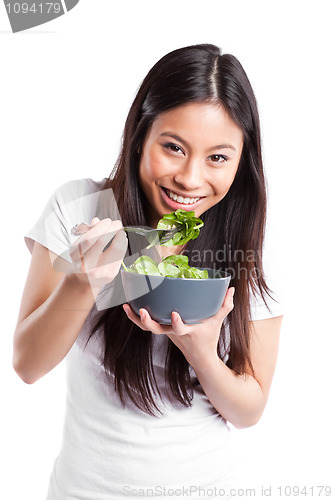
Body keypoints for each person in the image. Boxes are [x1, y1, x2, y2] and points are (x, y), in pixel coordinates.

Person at [13, 43, 283, 499]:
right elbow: (27, 365)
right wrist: (84, 281)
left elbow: (248, 411)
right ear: (140, 136)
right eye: (174, 148)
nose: (191, 179)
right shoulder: (81, 208)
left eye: (218, 157)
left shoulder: (250, 242)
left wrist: (200, 352)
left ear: (242, 162)